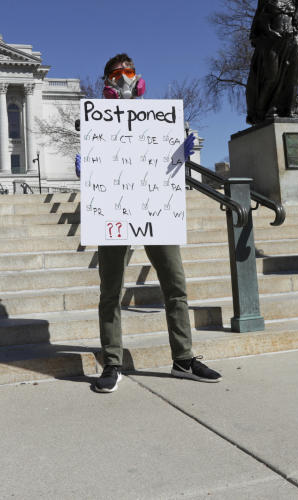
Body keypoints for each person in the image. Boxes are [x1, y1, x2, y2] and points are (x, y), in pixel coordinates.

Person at [91, 53, 220, 394]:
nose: (123, 79)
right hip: (115, 211)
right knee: (110, 290)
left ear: (139, 78)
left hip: (155, 210)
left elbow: (171, 153)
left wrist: (183, 146)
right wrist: (85, 169)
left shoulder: (159, 119)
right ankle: (113, 361)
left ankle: (183, 359)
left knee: (175, 284)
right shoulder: (97, 121)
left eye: (128, 72)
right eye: (116, 74)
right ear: (106, 82)